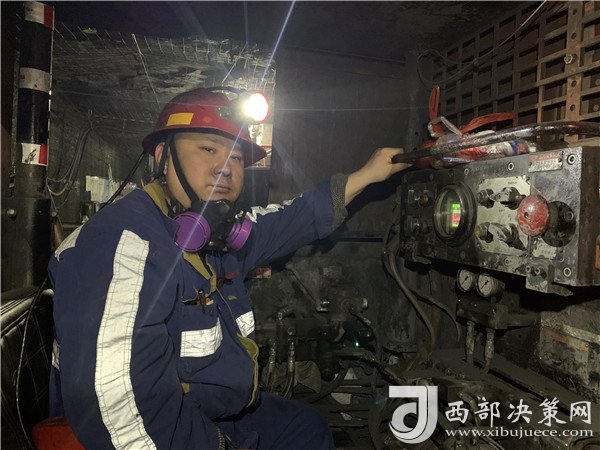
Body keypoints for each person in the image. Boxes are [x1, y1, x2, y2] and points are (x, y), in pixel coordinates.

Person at [48, 87, 410, 450]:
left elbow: (292, 220)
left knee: (305, 428)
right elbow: (122, 412)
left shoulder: (216, 236)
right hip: (160, 429)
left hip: (217, 409)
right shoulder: (122, 246)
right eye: (208, 149)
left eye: (236, 157)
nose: (225, 168)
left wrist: (367, 175)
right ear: (163, 157)